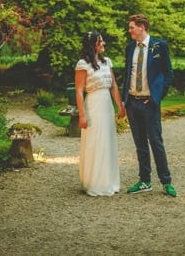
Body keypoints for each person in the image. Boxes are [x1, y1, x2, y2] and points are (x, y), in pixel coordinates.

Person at [121, 13, 176, 197]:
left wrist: (156, 97)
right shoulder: (130, 48)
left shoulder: (159, 46)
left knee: (155, 141)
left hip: (149, 104)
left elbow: (168, 74)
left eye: (131, 27)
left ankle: (166, 181)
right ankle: (144, 180)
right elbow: (127, 73)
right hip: (132, 103)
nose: (129, 30)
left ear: (142, 27)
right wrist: (124, 99)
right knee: (140, 144)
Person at [75, 31, 126, 196]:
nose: (104, 44)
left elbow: (114, 86)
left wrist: (120, 106)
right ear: (92, 45)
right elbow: (79, 90)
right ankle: (94, 182)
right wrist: (82, 115)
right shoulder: (83, 64)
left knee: (107, 142)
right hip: (93, 106)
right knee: (94, 142)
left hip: (106, 106)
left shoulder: (107, 62)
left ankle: (107, 181)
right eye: (100, 42)